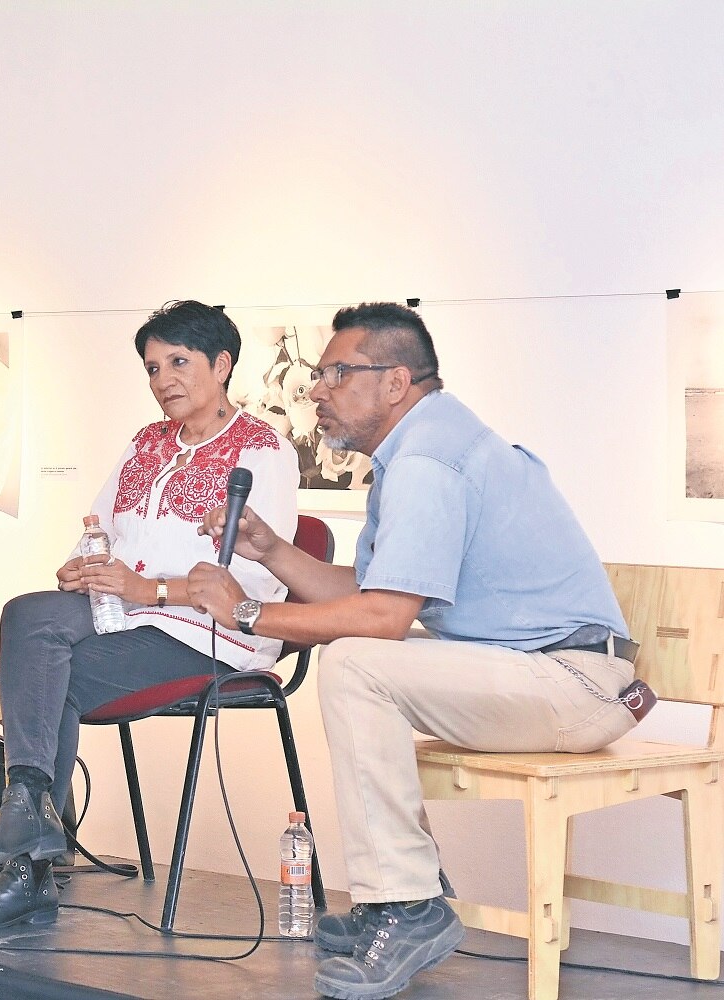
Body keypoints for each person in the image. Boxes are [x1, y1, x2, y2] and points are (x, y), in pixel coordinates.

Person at [189, 302, 637, 1000]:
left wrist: (246, 609)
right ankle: (401, 895)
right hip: (542, 669)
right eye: (318, 374)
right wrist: (272, 550)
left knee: (356, 661)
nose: (316, 390)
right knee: (360, 657)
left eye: (337, 373)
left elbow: (382, 619)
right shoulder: (421, 449)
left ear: (395, 382)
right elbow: (372, 588)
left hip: (576, 683)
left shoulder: (428, 459)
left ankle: (406, 905)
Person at [0, 300, 298, 929]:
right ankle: (28, 810)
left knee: (54, 681)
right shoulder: (147, 443)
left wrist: (147, 589)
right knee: (28, 613)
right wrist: (80, 568)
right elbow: (96, 529)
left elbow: (257, 582)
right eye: (153, 367)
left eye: (179, 363)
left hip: (211, 635)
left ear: (222, 365)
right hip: (125, 614)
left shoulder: (261, 450)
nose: (163, 380)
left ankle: (28, 868)